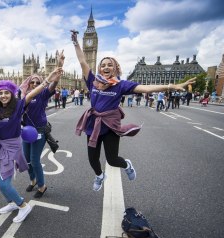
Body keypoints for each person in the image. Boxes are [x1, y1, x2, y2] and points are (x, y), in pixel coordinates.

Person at [71, 31, 196, 191]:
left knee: (112, 159)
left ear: (115, 68)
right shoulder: (93, 81)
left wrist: (170, 86)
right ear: (99, 69)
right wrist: (75, 42)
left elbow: (146, 88)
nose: (106, 67)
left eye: (110, 65)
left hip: (109, 126)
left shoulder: (121, 85)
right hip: (93, 125)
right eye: (103, 65)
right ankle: (99, 175)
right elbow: (82, 61)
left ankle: (127, 165)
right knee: (92, 159)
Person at [0, 67, 63, 222]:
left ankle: (23, 205)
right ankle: (12, 202)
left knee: (5, 183)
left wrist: (49, 78)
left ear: (12, 94)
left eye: (7, 92)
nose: (3, 95)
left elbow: (34, 92)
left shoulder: (18, 105)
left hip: (11, 147)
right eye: (1, 93)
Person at [18, 51, 64, 199]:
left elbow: (54, 83)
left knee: (35, 159)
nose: (36, 84)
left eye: (38, 82)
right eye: (33, 82)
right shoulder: (24, 96)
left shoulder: (43, 94)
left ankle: (42, 186)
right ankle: (33, 180)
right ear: (29, 83)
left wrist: (58, 66)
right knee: (26, 159)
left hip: (39, 130)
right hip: (26, 131)